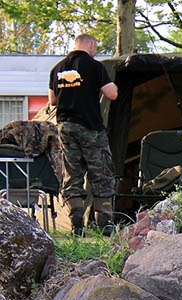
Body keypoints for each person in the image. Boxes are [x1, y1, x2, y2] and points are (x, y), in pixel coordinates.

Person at [48, 33, 118, 235]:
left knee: (72, 174)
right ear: (91, 45)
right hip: (90, 128)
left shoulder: (58, 68)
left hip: (66, 128)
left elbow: (52, 100)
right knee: (101, 173)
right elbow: (112, 94)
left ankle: (76, 222)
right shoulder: (95, 67)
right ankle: (104, 225)